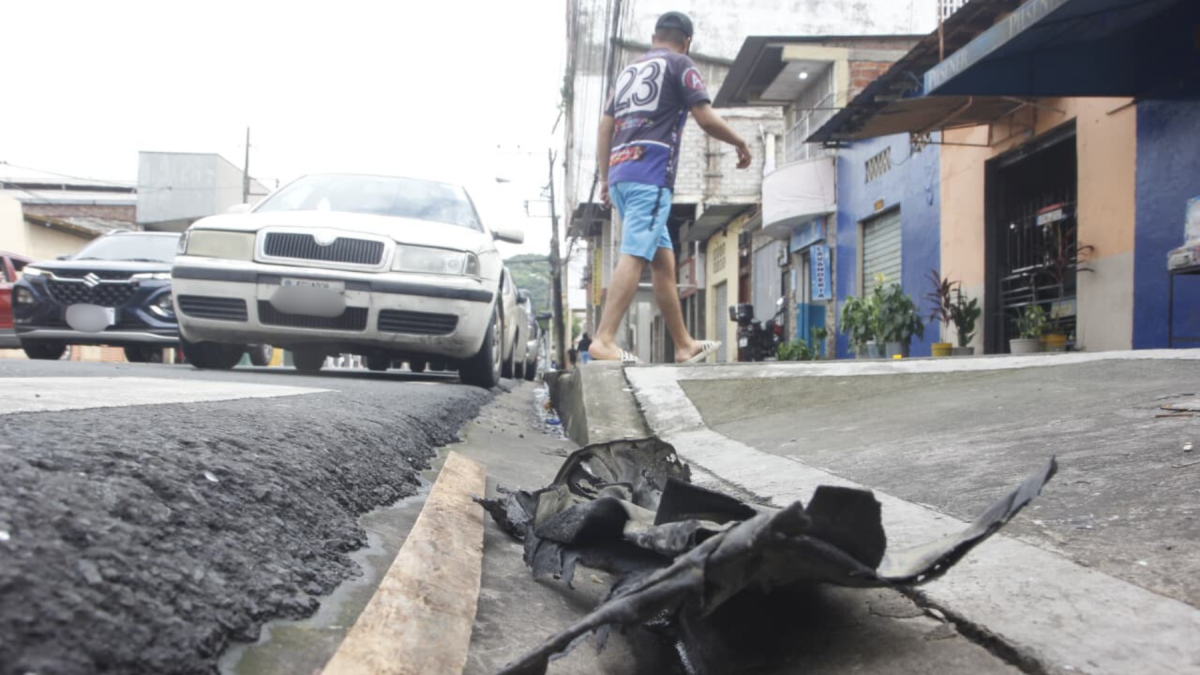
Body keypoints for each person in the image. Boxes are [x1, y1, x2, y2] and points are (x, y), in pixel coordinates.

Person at [588, 11, 751, 364]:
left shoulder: (628, 72)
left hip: (621, 173)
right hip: (650, 175)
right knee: (635, 254)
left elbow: (605, 127)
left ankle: (683, 344)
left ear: (654, 36)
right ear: (687, 41)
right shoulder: (681, 64)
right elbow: (705, 117)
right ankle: (603, 339)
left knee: (664, 262)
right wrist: (740, 141)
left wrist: (605, 178)